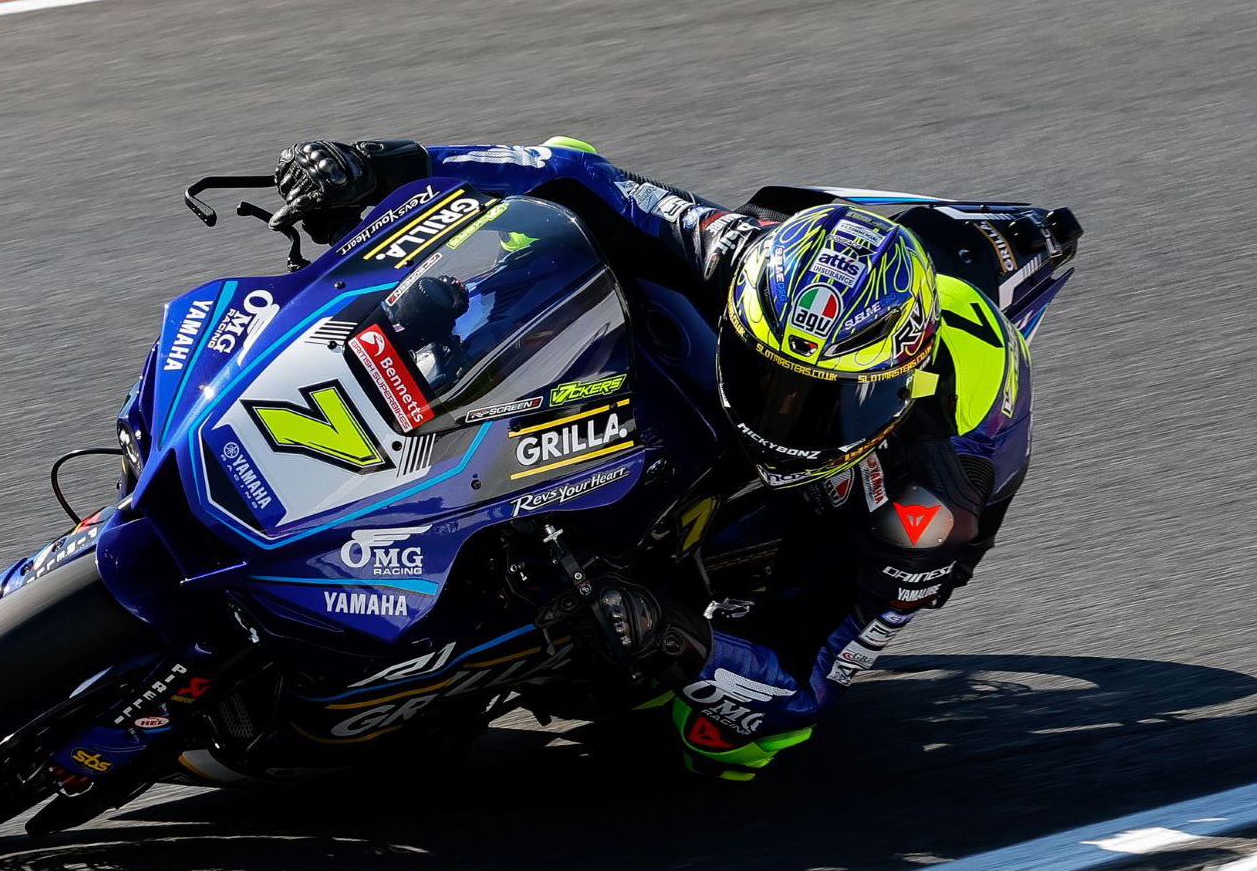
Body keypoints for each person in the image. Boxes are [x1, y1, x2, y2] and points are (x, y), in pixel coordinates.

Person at [272, 137, 1081, 780]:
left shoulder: (926, 507)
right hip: (815, 296)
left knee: (722, 745)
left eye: (814, 398)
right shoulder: (739, 254)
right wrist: (387, 164)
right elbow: (571, 169)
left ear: (889, 390)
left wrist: (674, 639)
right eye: (766, 377)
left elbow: (799, 690)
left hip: (888, 485)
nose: (781, 409)